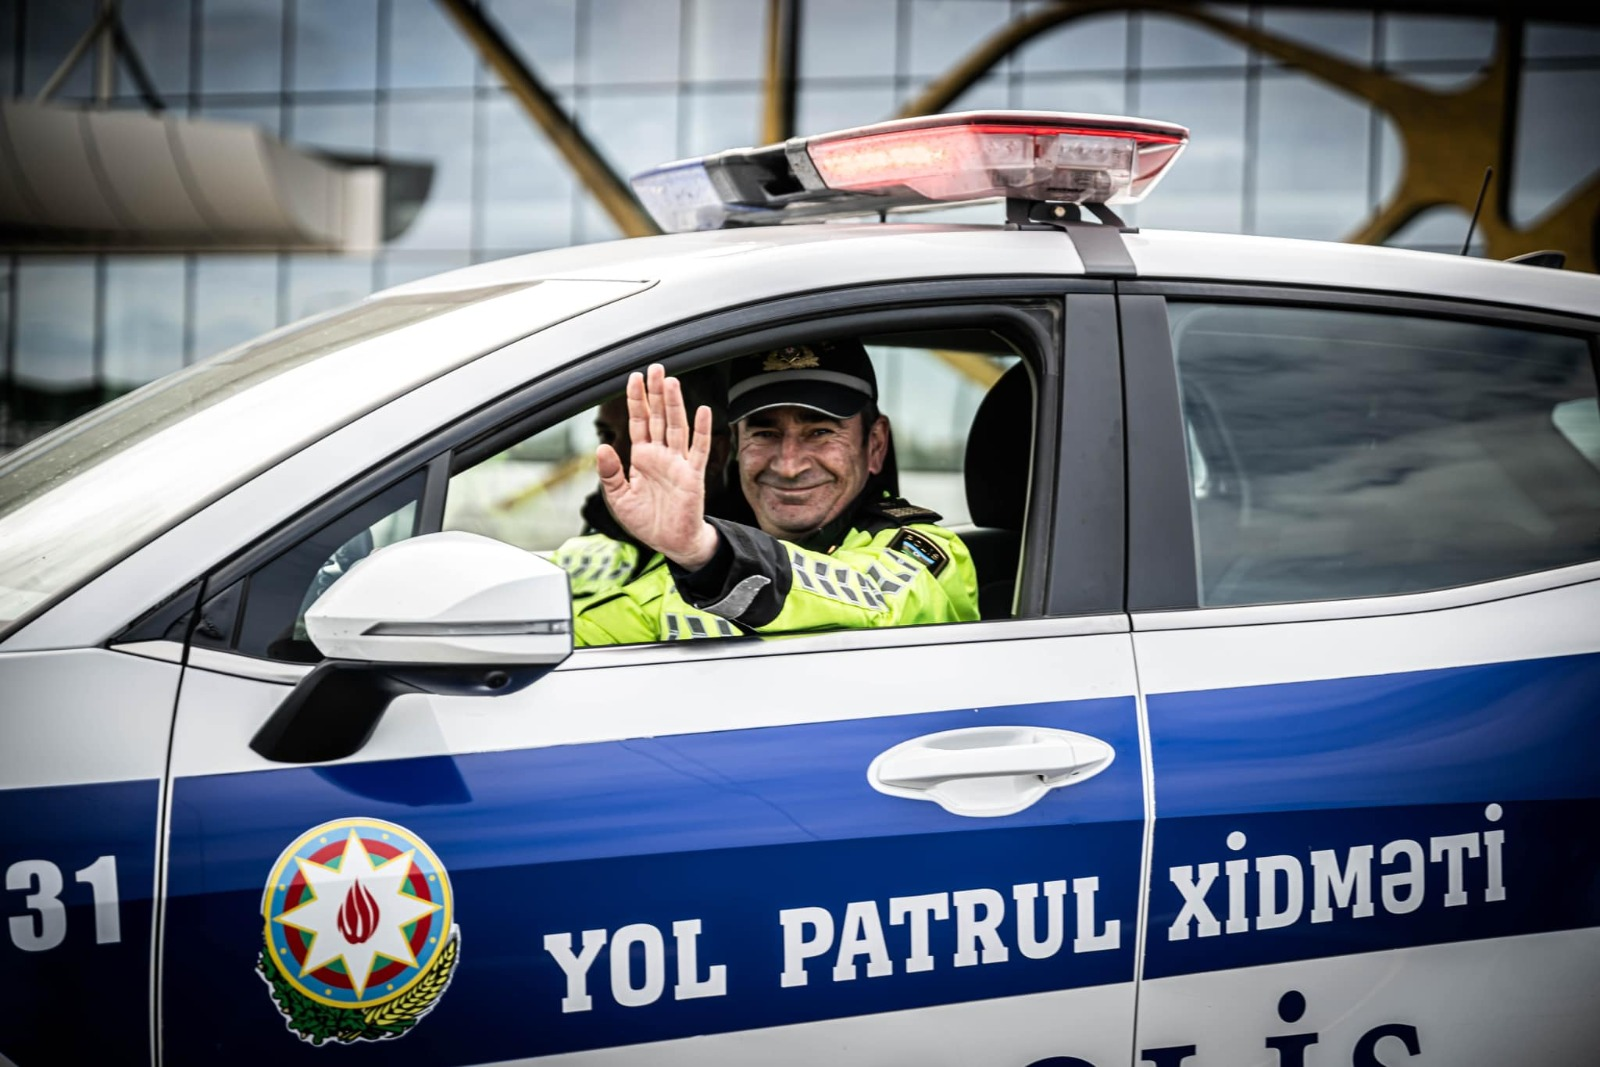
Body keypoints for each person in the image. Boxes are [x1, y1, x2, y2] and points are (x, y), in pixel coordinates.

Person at [574, 339, 977, 645]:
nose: (788, 465)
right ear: (734, 446)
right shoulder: (690, 568)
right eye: (764, 433)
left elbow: (875, 597)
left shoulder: (925, 552)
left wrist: (709, 553)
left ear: (874, 445)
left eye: (819, 432)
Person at [550, 372, 738, 606]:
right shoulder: (581, 552)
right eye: (607, 435)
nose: (615, 452)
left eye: (646, 437)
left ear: (716, 454)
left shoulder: (741, 567)